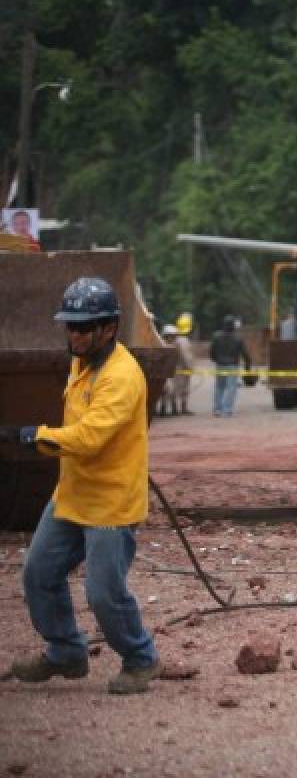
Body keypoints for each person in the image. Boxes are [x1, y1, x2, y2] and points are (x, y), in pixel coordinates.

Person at [0, 276, 161, 694]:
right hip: (72, 494)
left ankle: (140, 658)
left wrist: (29, 434)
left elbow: (88, 439)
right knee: (38, 573)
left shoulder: (121, 376)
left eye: (83, 327)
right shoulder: (82, 360)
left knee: (104, 593)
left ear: (109, 328)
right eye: (69, 326)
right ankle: (66, 651)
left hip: (110, 502)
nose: (74, 334)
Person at [210, 314, 251, 417]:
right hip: (232, 365)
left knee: (219, 387)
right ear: (233, 325)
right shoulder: (238, 338)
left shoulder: (216, 336)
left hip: (220, 364)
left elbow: (212, 352)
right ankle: (227, 410)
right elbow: (245, 354)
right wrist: (247, 366)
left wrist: (216, 360)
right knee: (231, 388)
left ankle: (217, 409)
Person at [173, 312, 195, 415]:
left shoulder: (176, 339)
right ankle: (182, 408)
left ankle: (178, 408)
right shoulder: (183, 341)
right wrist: (190, 368)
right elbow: (186, 356)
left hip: (177, 367)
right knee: (182, 389)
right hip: (182, 368)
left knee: (177, 388)